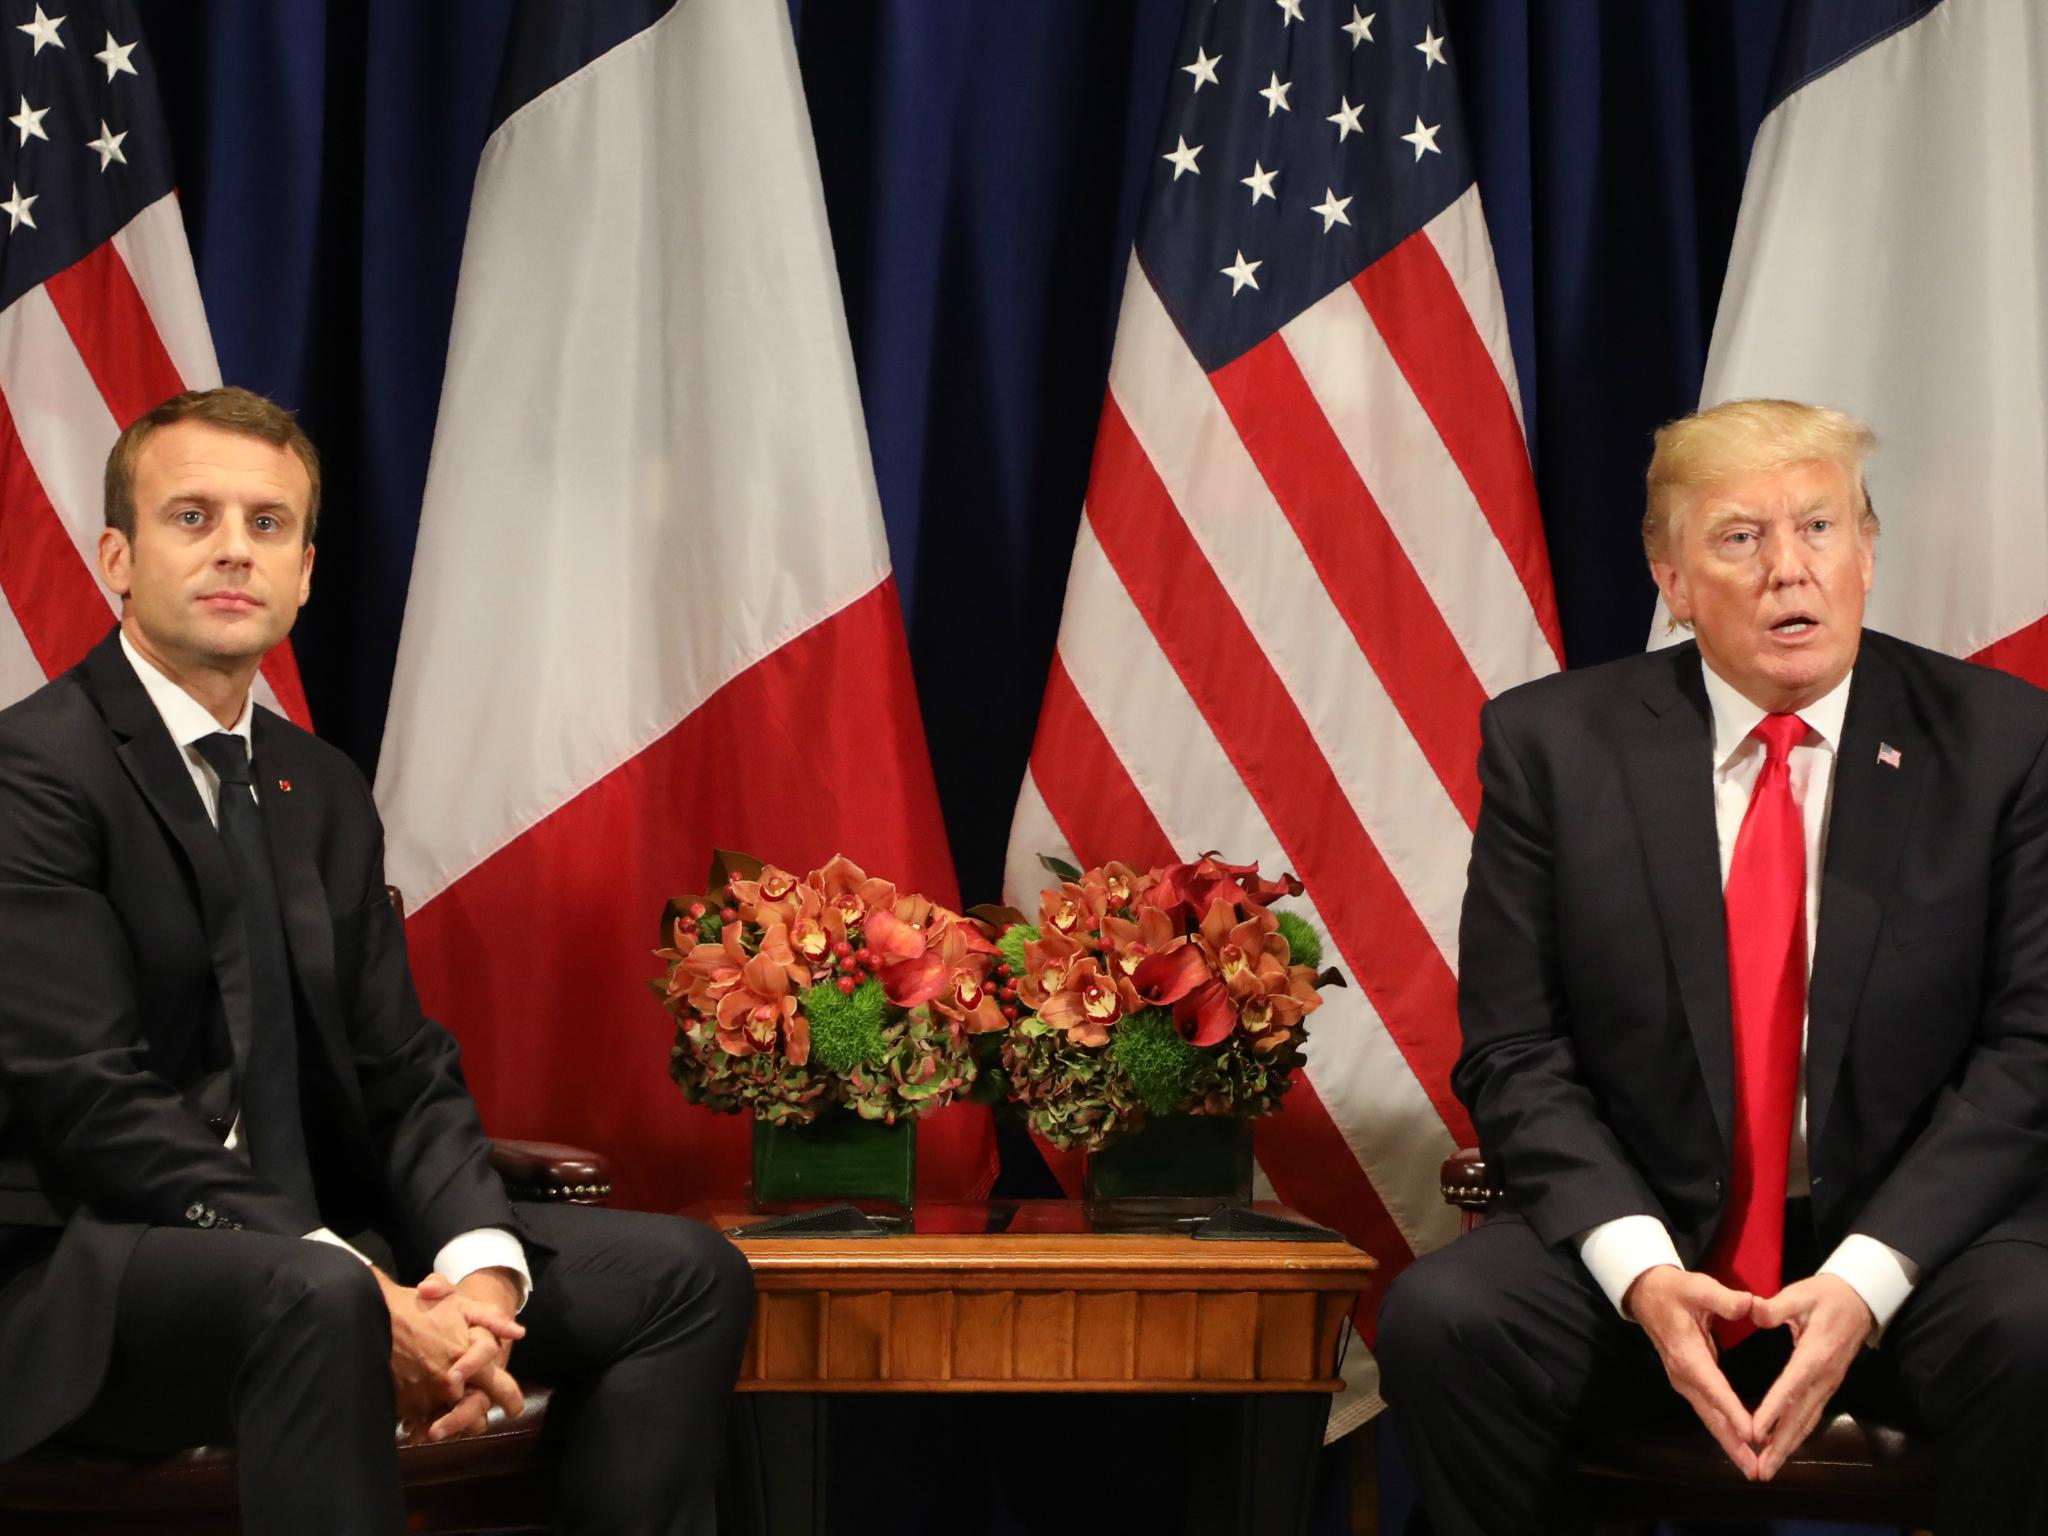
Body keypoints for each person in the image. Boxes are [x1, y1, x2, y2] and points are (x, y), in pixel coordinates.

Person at [0, 387, 755, 1535]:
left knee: (687, 1276)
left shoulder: (321, 787)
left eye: (267, 525)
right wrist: (361, 1287)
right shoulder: (35, 772)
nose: (232, 552)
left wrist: (481, 1270)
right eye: (191, 517)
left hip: (317, 1249)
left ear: (304, 572)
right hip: (91, 1273)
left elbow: (403, 1069)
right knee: (316, 1298)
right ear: (117, 553)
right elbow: (88, 1100)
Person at [1377, 398, 2048, 1533]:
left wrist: (1865, 1277)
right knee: (1448, 1320)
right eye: (1740, 537)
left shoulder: (1999, 741)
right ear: (1671, 579)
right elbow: (1512, 1051)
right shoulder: (1551, 746)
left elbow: (2029, 1049)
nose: (1789, 571)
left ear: (1867, 551)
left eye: (1820, 529)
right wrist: (1639, 1270)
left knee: (2033, 1330)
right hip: (1651, 1241)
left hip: (1913, 1255)